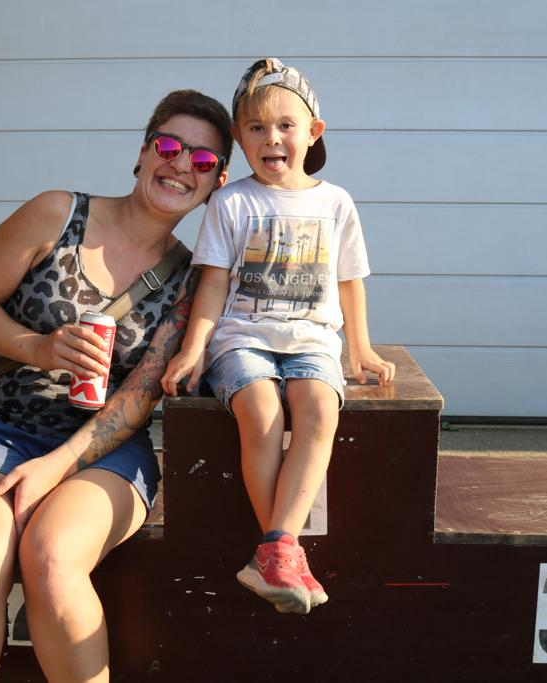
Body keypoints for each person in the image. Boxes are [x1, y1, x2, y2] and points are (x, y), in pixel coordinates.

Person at [0, 89, 232, 682]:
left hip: (103, 449)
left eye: (202, 160)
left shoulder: (192, 281)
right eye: (169, 147)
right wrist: (37, 347)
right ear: (143, 153)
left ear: (217, 182)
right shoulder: (57, 214)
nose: (181, 165)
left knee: (52, 558)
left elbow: (140, 397)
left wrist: (56, 466)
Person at [161, 59, 395, 615]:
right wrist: (193, 349)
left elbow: (349, 280)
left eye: (286, 125)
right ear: (239, 138)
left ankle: (275, 549)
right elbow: (213, 283)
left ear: (313, 132)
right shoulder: (232, 202)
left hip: (313, 341)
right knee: (262, 414)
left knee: (319, 411)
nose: (272, 138)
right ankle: (282, 553)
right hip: (242, 339)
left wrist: (361, 347)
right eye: (257, 127)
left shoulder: (335, 203)